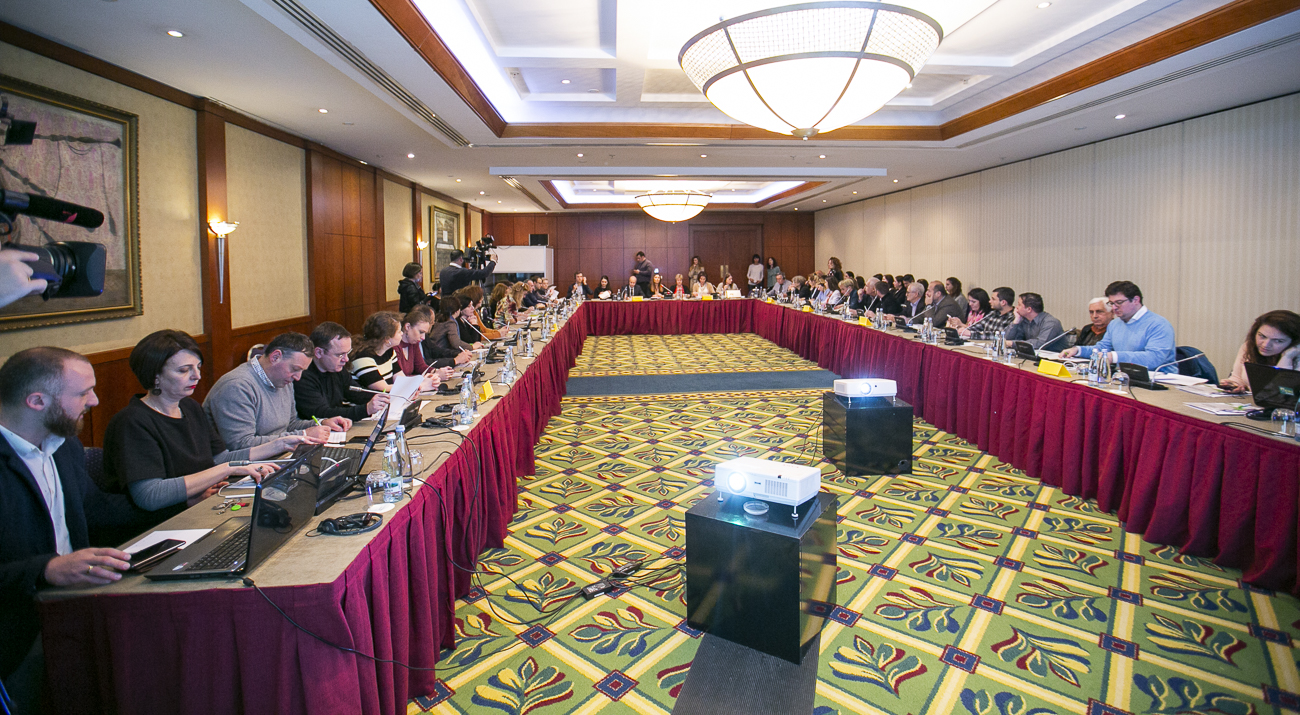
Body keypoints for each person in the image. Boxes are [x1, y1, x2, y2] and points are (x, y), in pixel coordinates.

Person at [0, 347, 144, 709]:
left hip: (74, 607)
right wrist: (46, 569)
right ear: (37, 401)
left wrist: (184, 501)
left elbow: (96, 509)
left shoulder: (63, 444)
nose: (94, 401)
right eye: (83, 393)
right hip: (16, 630)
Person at [103, 331, 306, 526]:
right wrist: (227, 469)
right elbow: (150, 496)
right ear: (155, 375)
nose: (197, 376)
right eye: (184, 370)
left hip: (197, 511)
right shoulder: (132, 422)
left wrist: (279, 444)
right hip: (154, 526)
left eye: (198, 367)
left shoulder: (189, 407)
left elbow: (218, 458)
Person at [205, 333, 343, 450]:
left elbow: (290, 424)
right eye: (295, 369)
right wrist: (302, 435)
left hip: (278, 455)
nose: (298, 377)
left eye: (302, 371)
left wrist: (321, 423)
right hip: (244, 467)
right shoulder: (237, 386)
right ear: (275, 357)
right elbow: (241, 445)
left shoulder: (283, 379)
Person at [1062, 281, 1175, 371]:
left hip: (1159, 381)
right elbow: (1102, 348)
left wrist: (1114, 357)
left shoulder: (1158, 324)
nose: (1114, 307)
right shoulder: (1115, 324)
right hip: (1124, 377)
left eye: (1119, 302)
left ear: (1136, 300)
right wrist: (1078, 350)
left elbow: (1154, 359)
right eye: (1111, 303)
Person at [295, 321, 390, 423]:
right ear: (318, 352)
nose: (346, 359)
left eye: (347, 353)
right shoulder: (302, 376)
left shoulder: (336, 368)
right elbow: (322, 413)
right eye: (340, 355)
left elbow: (357, 394)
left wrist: (384, 398)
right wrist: (366, 409)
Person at [1220, 310, 1300, 393]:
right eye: (1262, 336)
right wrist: (1233, 385)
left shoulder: (1295, 354)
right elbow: (1237, 378)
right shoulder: (1249, 346)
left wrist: (1287, 357)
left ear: (1295, 342)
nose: (1265, 345)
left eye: (1278, 341)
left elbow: (1284, 392)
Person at [348, 312, 411, 392]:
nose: (402, 333)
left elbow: (401, 380)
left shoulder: (389, 351)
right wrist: (411, 387)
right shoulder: (362, 357)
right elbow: (383, 389)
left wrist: (415, 386)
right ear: (387, 339)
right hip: (367, 399)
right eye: (399, 331)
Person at [423, 299, 479, 364]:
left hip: (438, 354)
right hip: (442, 355)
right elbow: (456, 343)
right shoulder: (450, 322)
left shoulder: (440, 318)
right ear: (457, 310)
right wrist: (471, 347)